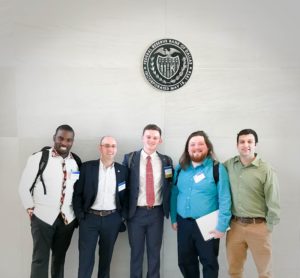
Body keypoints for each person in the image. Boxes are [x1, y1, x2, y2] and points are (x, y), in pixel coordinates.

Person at [19, 124, 81, 278]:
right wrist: (30, 209)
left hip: (67, 219)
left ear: (72, 142)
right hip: (42, 217)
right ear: (54, 138)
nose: (64, 143)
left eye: (68, 140)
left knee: (59, 260)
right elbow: (23, 187)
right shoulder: (39, 157)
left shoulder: (76, 162)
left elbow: (76, 190)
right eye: (61, 138)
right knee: (40, 260)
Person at [170, 130, 232, 278]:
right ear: (187, 148)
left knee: (209, 263)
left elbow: (224, 198)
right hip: (184, 224)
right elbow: (174, 194)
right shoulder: (180, 169)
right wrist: (174, 218)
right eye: (192, 144)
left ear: (208, 147)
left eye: (200, 144)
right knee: (185, 262)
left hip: (208, 225)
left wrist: (222, 226)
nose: (196, 147)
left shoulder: (217, 168)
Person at [224, 129, 280, 278]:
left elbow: (273, 199)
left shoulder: (265, 169)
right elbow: (213, 176)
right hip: (235, 227)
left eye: (250, 142)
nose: (246, 145)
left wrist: (268, 227)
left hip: (259, 227)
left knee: (265, 273)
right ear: (237, 145)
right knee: (234, 271)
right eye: (242, 142)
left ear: (256, 145)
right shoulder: (229, 165)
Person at [72, 136, 128, 278]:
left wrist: (121, 217)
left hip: (112, 220)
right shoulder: (86, 167)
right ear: (100, 148)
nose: (110, 149)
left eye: (113, 146)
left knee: (106, 261)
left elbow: (127, 196)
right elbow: (77, 193)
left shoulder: (123, 171)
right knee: (85, 261)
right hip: (89, 219)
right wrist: (80, 216)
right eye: (107, 145)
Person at [123, 124, 173, 278]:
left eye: (155, 137)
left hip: (156, 213)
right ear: (142, 138)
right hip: (136, 213)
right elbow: (123, 187)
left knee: (154, 253)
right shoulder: (130, 158)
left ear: (160, 140)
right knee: (136, 253)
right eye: (148, 137)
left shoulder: (166, 160)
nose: (151, 140)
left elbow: (169, 185)